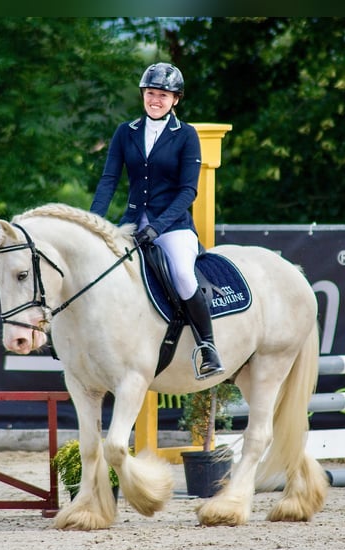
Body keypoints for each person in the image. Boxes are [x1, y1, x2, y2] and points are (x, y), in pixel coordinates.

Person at [90, 62, 224, 380]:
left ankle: (208, 346)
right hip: (133, 222)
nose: (156, 100)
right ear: (143, 95)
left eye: (163, 95)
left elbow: (188, 191)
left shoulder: (186, 135)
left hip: (173, 225)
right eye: (151, 93)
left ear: (175, 99)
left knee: (181, 272)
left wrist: (158, 227)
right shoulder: (126, 132)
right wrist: (93, 222)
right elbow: (109, 179)